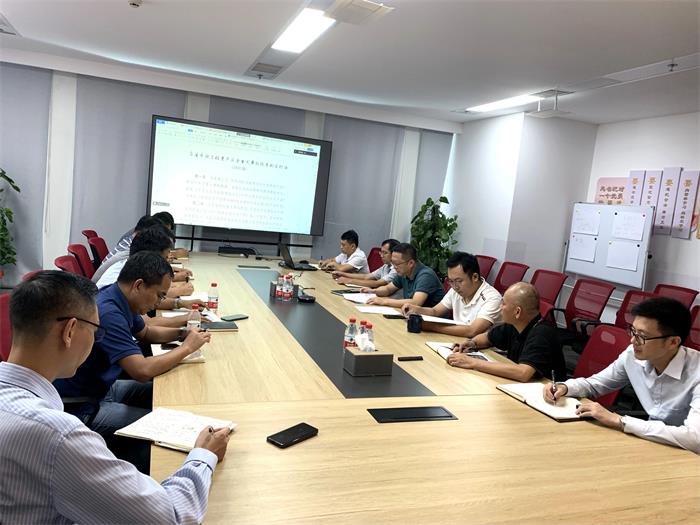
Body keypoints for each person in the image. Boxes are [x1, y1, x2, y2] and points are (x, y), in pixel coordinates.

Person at [0, 270, 229, 523]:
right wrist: (203, 457)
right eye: (96, 332)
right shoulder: (59, 436)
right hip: (83, 404)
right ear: (70, 332)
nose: (96, 340)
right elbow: (169, 517)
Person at [54, 251, 211, 472]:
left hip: (103, 387)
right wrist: (187, 348)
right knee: (164, 428)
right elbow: (141, 371)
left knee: (163, 394)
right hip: (83, 405)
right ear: (138, 285)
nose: (158, 303)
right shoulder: (109, 312)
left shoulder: (119, 297)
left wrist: (182, 334)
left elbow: (146, 332)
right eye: (159, 296)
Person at [543, 297, 699, 454]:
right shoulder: (632, 355)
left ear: (673, 342)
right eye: (633, 331)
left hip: (689, 455)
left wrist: (620, 421)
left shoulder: (696, 374)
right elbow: (595, 384)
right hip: (652, 442)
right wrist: (564, 387)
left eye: (642, 336)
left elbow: (695, 438)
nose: (632, 340)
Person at [447, 282, 565, 382]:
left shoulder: (542, 333)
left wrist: (472, 362)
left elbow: (523, 373)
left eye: (503, 304)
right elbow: (487, 338)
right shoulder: (515, 324)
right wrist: (471, 343)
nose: (500, 307)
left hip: (547, 392)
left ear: (517, 312)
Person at [402, 252, 501, 337]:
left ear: (475, 277)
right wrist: (416, 309)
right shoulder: (456, 290)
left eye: (459, 281)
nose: (454, 286)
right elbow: (435, 311)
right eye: (451, 281)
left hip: (483, 348)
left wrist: (430, 326)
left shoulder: (492, 298)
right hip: (459, 340)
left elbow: (472, 331)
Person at [364, 242, 445, 308]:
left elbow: (416, 302)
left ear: (411, 263)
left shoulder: (426, 275)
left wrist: (384, 301)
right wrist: (372, 291)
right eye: (392, 262)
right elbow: (388, 289)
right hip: (412, 315)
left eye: (397, 264)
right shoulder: (404, 272)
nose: (394, 267)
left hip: (431, 319)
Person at [332, 238, 400, 291]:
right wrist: (343, 274)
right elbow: (366, 276)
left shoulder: (396, 269)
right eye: (381, 252)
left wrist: (349, 280)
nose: (381, 256)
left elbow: (377, 283)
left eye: (385, 253)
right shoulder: (386, 266)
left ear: (394, 254)